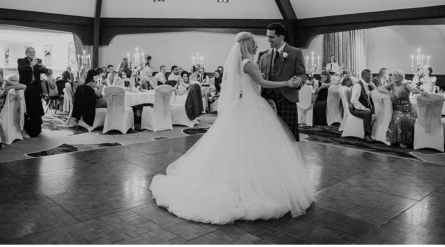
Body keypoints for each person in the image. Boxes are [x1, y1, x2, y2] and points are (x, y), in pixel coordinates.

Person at [150, 32, 314, 224]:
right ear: (247, 45)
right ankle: (253, 185)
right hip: (252, 109)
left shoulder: (242, 62)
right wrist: (287, 82)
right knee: (254, 147)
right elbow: (262, 83)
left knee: (243, 147)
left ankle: (248, 180)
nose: (257, 46)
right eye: (254, 43)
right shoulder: (248, 63)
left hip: (248, 106)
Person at [257, 22, 307, 141]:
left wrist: (298, 82)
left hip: (287, 100)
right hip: (267, 101)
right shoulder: (264, 56)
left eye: (271, 37)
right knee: (268, 137)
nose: (268, 40)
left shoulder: (295, 53)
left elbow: (302, 75)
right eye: (267, 36)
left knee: (288, 138)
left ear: (281, 37)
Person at [377, 70, 425, 148]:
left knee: (407, 120)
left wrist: (421, 92)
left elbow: (414, 90)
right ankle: (399, 140)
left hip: (409, 110)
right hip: (397, 110)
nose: (395, 76)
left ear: (402, 77)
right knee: (400, 119)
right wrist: (388, 92)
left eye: (397, 75)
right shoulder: (391, 85)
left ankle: (406, 141)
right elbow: (379, 88)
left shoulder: (406, 85)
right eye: (394, 75)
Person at [17, 46, 48, 137]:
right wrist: (31, 64)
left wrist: (41, 65)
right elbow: (21, 69)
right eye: (30, 52)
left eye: (34, 52)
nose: (32, 54)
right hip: (26, 87)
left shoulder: (37, 62)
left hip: (36, 87)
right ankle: (29, 126)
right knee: (29, 107)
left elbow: (45, 71)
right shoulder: (21, 61)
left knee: (37, 107)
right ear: (26, 53)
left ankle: (37, 126)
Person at [350, 69, 375, 142]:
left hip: (361, 107)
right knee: (368, 113)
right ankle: (367, 135)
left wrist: (372, 91)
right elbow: (354, 100)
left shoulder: (366, 84)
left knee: (376, 110)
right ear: (366, 76)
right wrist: (364, 108)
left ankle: (376, 132)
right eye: (371, 75)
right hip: (354, 109)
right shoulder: (358, 85)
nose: (372, 77)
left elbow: (365, 95)